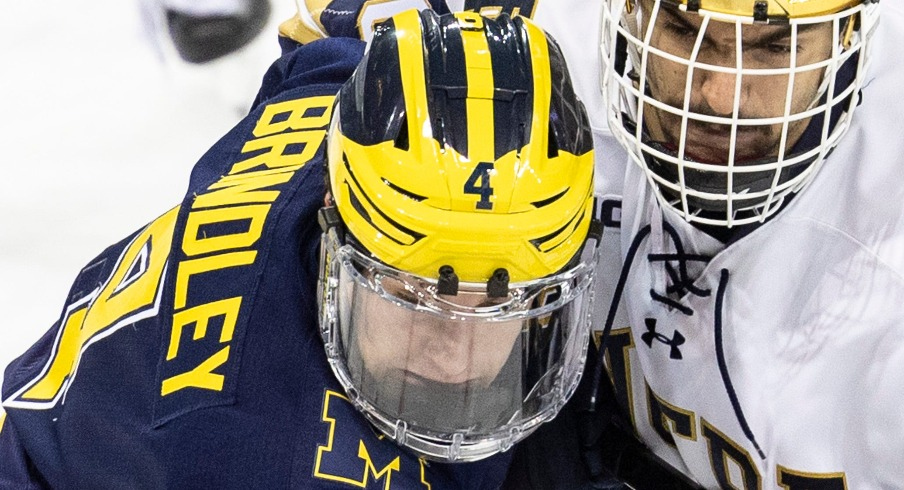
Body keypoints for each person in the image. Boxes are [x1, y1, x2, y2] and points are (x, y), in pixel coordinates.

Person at [0, 5, 602, 487]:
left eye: (501, 301)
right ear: (335, 234)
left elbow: (336, 41)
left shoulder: (349, 125)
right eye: (412, 292)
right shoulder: (260, 449)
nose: (452, 354)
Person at [506, 0, 904, 488]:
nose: (720, 96)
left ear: (848, 33)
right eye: (679, 28)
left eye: (774, 47)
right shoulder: (530, 55)